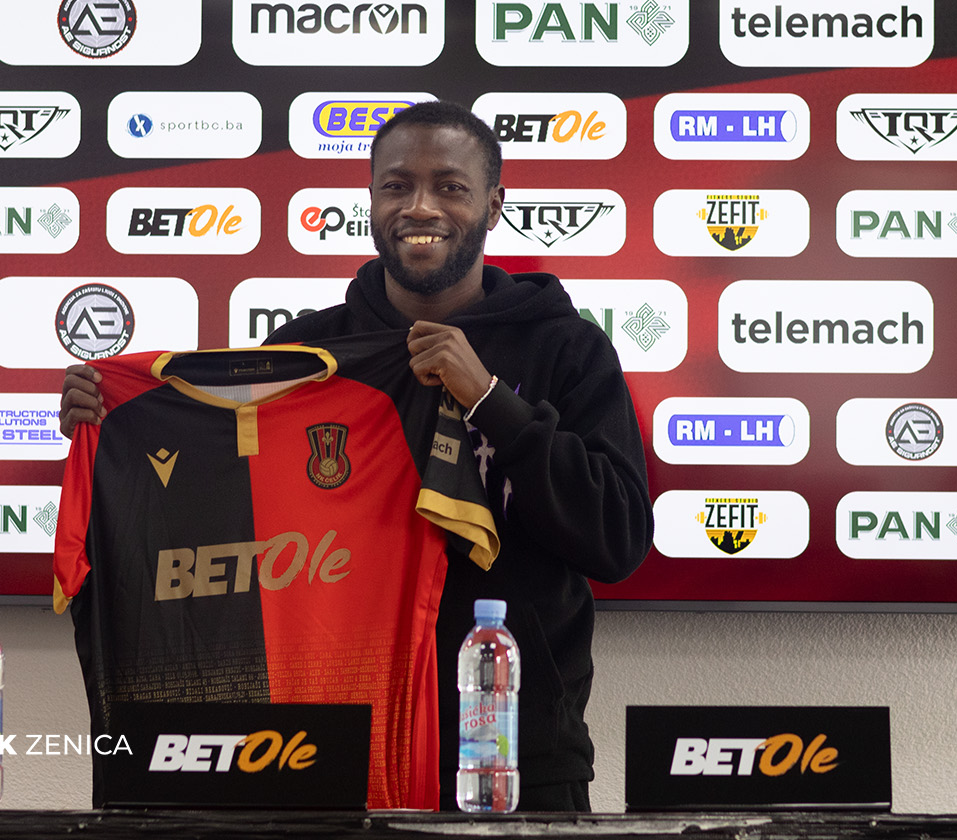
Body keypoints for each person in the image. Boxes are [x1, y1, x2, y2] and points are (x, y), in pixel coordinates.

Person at [60, 100, 653, 811]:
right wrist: (117, 432)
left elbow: (617, 539)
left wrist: (491, 400)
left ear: (494, 204)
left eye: (450, 186)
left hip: (512, 751)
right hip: (332, 747)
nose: (420, 207)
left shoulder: (566, 348)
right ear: (371, 201)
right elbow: (222, 521)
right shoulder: (308, 354)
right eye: (397, 185)